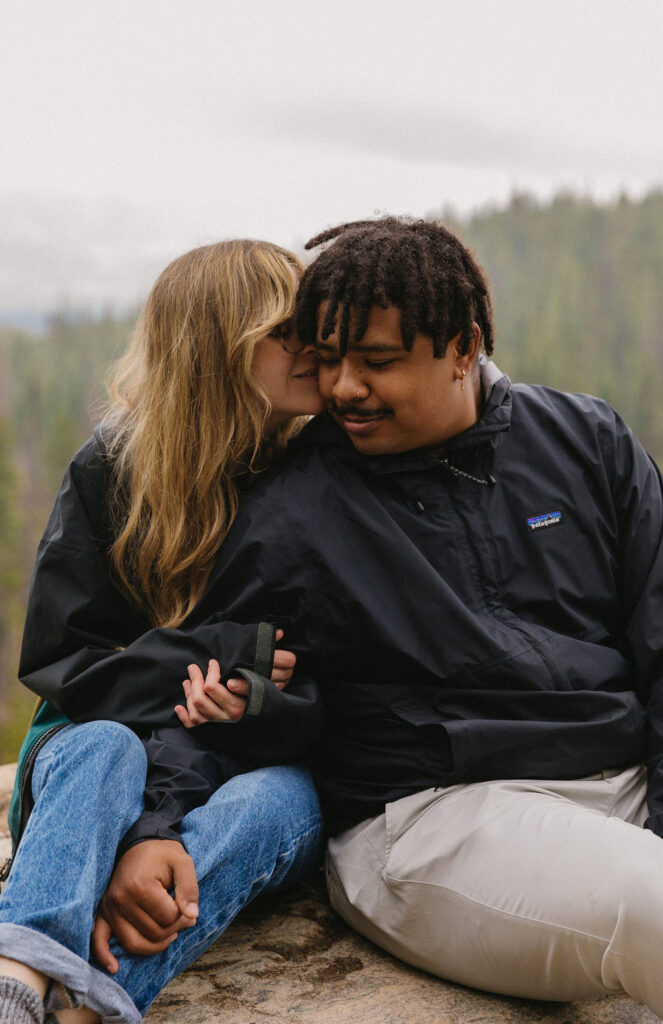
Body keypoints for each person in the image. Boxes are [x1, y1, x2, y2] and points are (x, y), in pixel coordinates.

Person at [171, 216, 663, 1019]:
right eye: (326, 361)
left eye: (376, 362)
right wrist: (159, 826)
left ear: (463, 348)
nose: (341, 390)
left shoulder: (585, 439)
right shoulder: (296, 509)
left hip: (622, 784)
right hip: (432, 820)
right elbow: (208, 683)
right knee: (652, 901)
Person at [0, 240, 325, 1024]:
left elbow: (336, 683)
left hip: (235, 775)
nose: (316, 345)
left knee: (281, 803)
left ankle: (84, 1011)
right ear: (222, 347)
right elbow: (60, 658)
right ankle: (15, 977)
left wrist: (255, 706)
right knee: (104, 745)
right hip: (96, 760)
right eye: (290, 329)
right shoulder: (113, 468)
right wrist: (219, 654)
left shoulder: (321, 481)